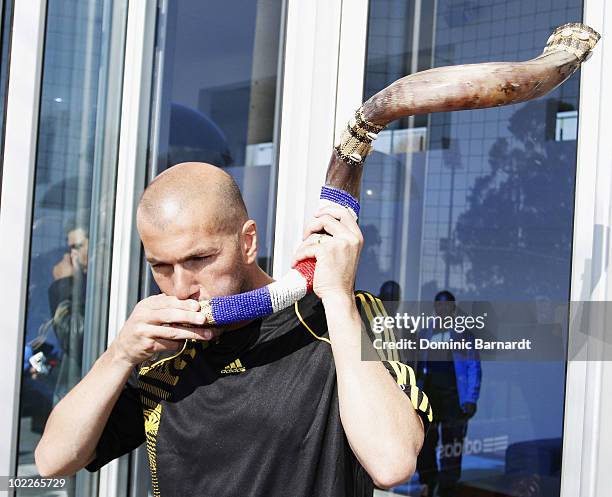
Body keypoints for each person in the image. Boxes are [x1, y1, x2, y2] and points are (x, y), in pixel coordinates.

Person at [35, 162, 432, 497]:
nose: (181, 286)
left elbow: (392, 464)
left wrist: (338, 298)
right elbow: (53, 461)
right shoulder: (165, 350)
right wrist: (118, 355)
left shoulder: (345, 318)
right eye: (160, 266)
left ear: (247, 242)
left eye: (200, 258)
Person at [416, 291, 482, 497]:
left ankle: (447, 487)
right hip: (430, 398)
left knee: (452, 444)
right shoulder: (425, 332)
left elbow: (474, 367)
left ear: (453, 308)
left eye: (447, 305)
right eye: (439, 305)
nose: (443, 309)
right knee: (426, 442)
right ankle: (428, 480)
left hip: (455, 398)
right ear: (435, 308)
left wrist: (471, 398)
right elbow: (415, 365)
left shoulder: (463, 334)